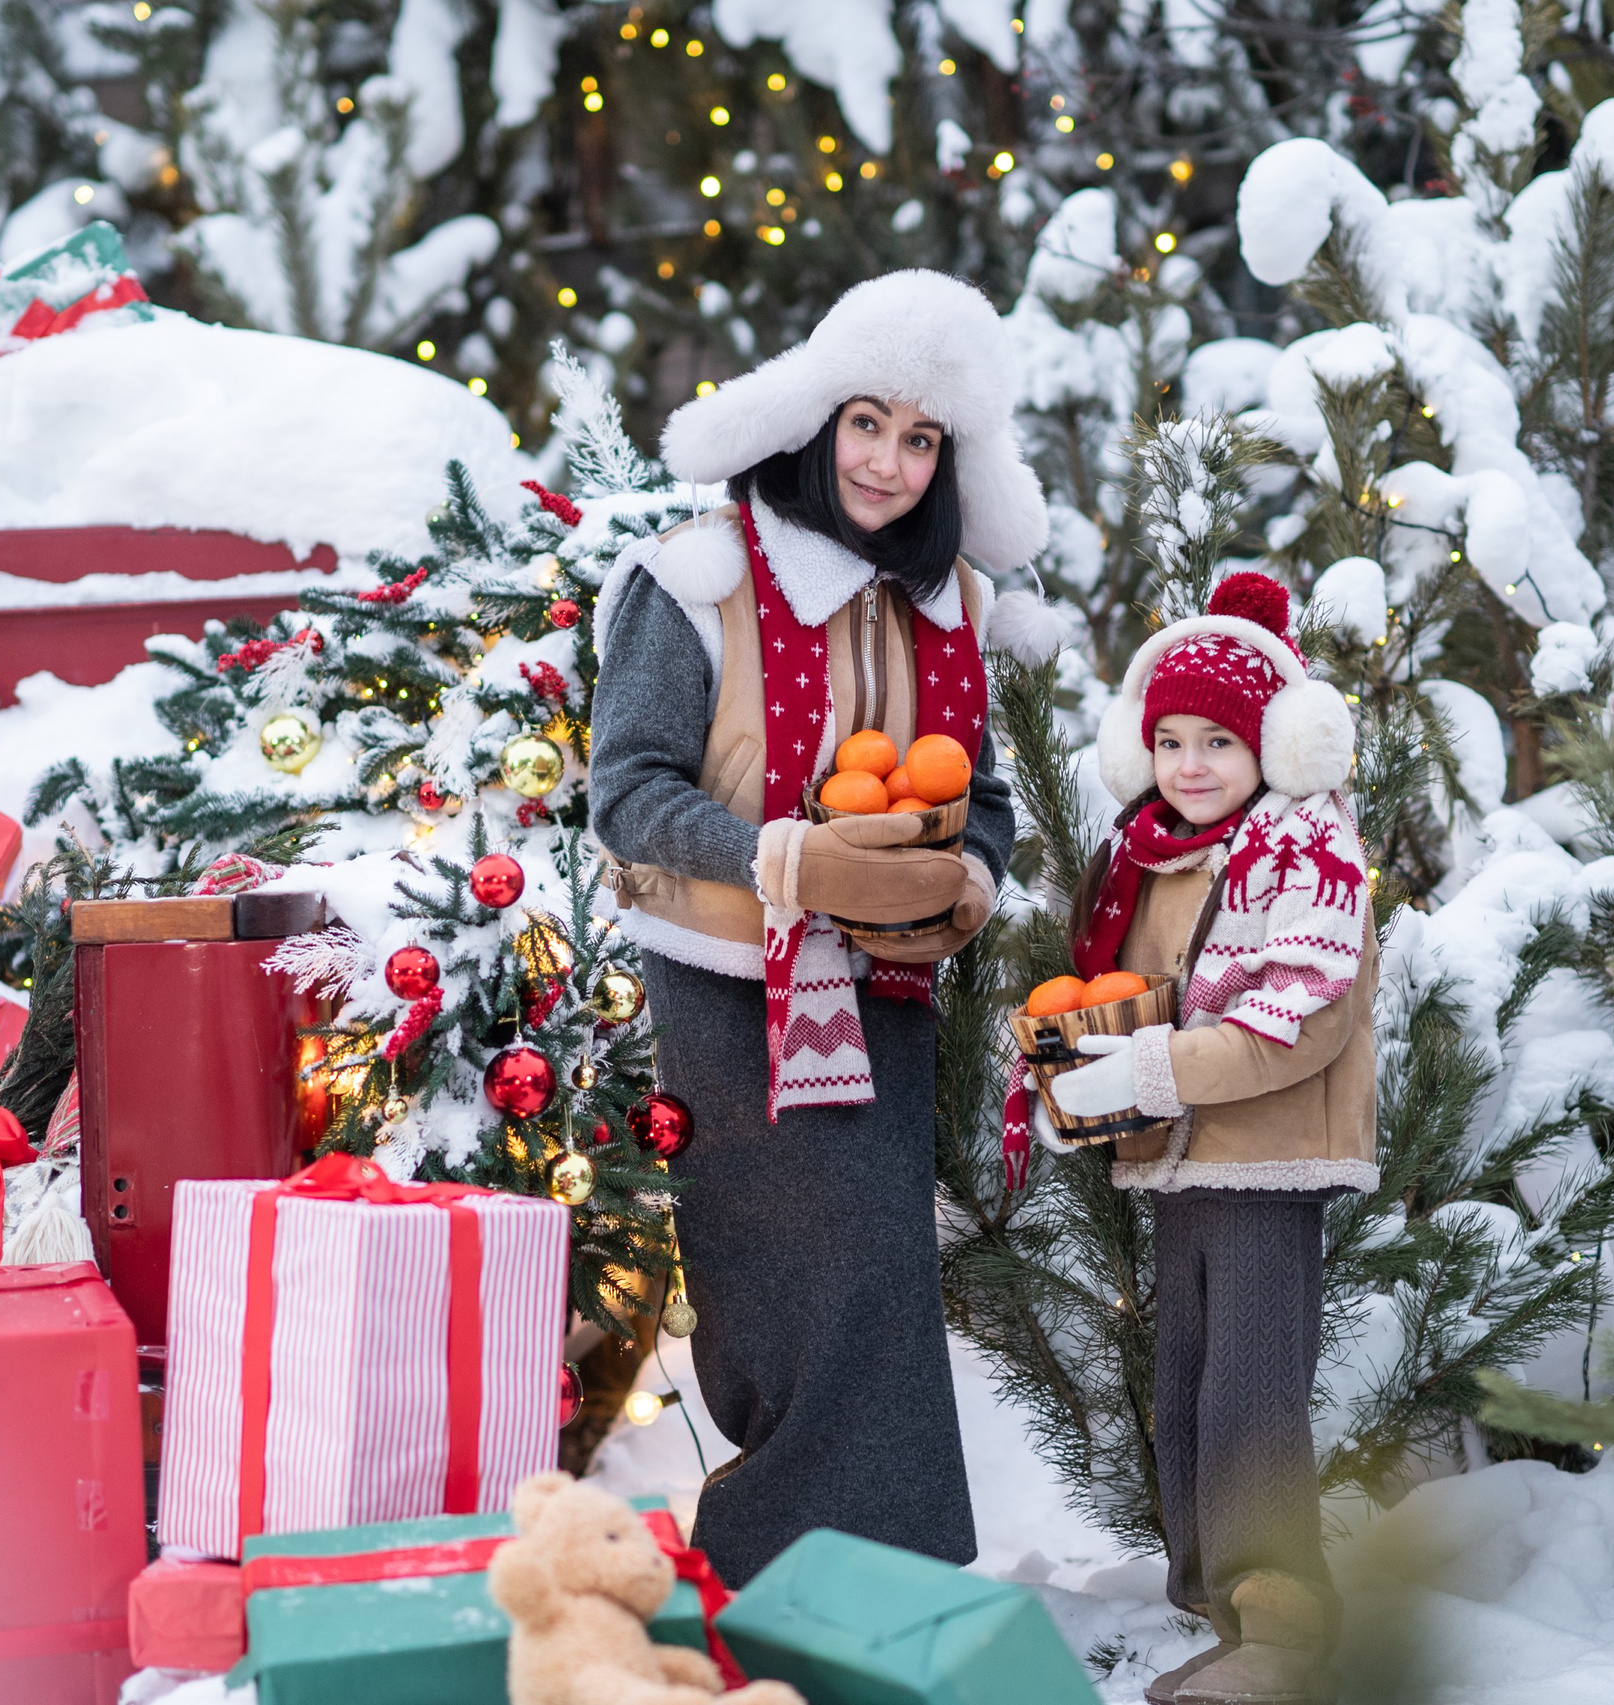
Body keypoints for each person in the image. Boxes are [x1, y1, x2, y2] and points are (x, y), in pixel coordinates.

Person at [587, 270, 1048, 1585]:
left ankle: (864, 1574)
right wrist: (778, 854)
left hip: (887, 984)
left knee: (878, 1279)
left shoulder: (945, 600)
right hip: (732, 986)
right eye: (868, 424)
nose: (891, 464)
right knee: (779, 1286)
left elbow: (986, 798)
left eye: (922, 439)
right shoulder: (699, 575)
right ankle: (797, 1567)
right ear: (815, 417)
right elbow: (627, 792)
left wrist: (966, 888)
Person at [1046, 571, 1377, 1705]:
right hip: (1183, 1161)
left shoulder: (1303, 850)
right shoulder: (1155, 853)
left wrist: (1145, 1068)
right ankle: (1220, 1611)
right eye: (1170, 740)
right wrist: (1069, 1068)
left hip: (1268, 1161)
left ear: (1277, 746)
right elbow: (1131, 995)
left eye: (1219, 742)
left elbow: (1297, 1020)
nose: (1190, 764)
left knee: (1249, 1389)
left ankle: (1282, 1623)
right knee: (1185, 1380)